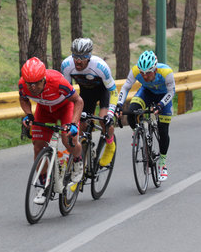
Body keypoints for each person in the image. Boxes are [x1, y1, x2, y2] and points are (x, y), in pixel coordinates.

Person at [19, 57, 84, 204]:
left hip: (65, 108)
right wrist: (28, 114)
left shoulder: (57, 82)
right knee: (37, 145)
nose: (33, 88)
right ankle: (43, 185)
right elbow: (23, 99)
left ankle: (78, 161)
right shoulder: (23, 85)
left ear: (44, 79)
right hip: (44, 110)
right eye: (30, 84)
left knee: (68, 140)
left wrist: (73, 124)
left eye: (36, 83)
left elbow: (78, 101)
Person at [114, 50, 175, 181]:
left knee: (163, 130)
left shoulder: (166, 72)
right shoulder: (135, 70)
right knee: (132, 111)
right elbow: (125, 88)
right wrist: (118, 104)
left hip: (164, 97)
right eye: (142, 73)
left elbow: (171, 92)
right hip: (147, 92)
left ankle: (162, 164)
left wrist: (160, 105)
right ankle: (138, 133)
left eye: (148, 73)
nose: (145, 76)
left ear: (155, 69)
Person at [60, 38, 117, 166]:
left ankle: (110, 144)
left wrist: (111, 113)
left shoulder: (100, 66)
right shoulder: (66, 65)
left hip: (103, 92)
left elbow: (113, 92)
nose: (78, 61)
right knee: (81, 127)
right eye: (75, 56)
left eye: (83, 57)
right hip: (86, 93)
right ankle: (82, 164)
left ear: (89, 56)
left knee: (104, 120)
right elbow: (67, 92)